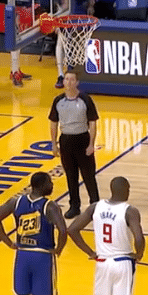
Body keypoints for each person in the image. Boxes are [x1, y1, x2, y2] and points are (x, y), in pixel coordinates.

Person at [49, 70, 101, 219]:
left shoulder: (85, 99)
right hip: (66, 140)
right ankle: (74, 206)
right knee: (71, 176)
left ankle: (95, 205)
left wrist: (91, 144)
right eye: (66, 79)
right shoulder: (58, 101)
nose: (69, 82)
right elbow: (53, 123)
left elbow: (92, 122)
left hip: (82, 139)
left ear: (77, 82)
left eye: (72, 80)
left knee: (88, 176)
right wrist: (54, 144)